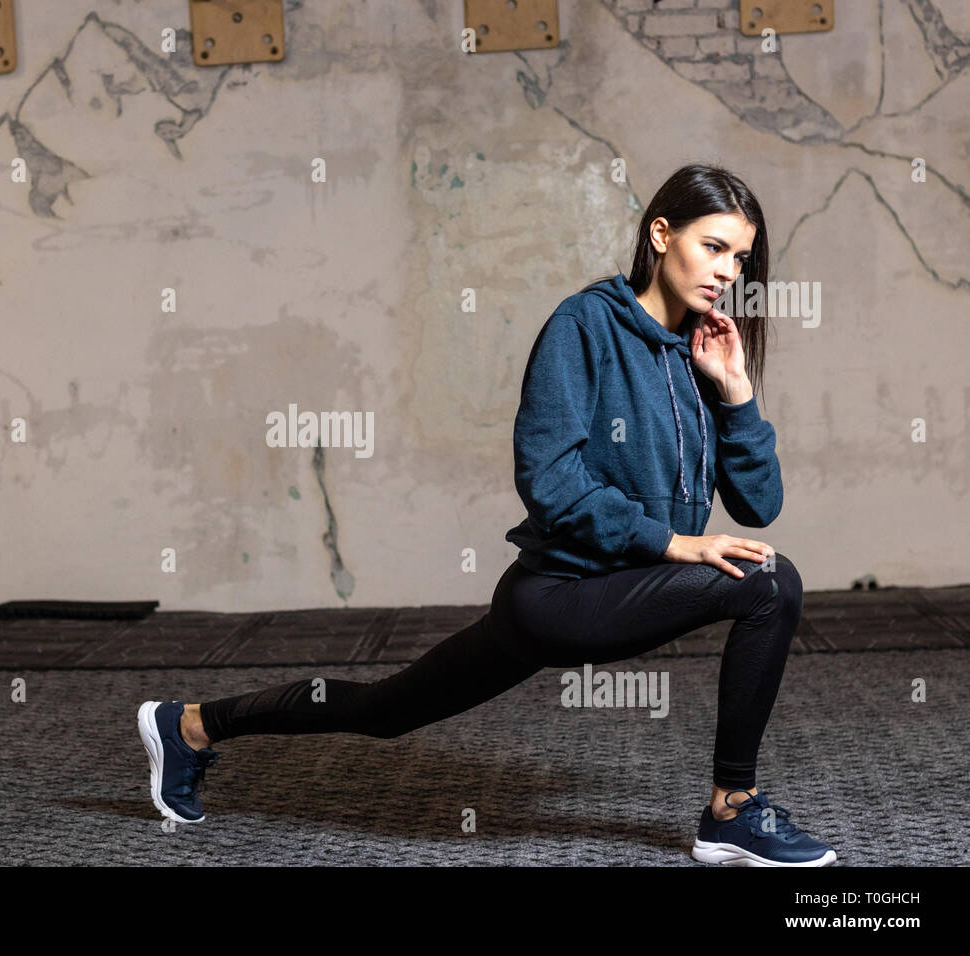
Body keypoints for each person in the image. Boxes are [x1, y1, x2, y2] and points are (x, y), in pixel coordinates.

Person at [137, 163, 836, 866]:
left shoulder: (703, 350)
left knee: (386, 710)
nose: (727, 270)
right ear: (661, 234)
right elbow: (551, 481)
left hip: (618, 592)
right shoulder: (584, 324)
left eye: (741, 257)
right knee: (772, 583)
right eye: (713, 246)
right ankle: (732, 809)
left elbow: (759, 504)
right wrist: (670, 542)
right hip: (557, 596)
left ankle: (190, 725)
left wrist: (738, 395)